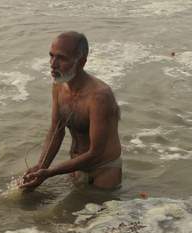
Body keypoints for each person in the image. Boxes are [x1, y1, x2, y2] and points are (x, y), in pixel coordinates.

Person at [19, 31, 122, 190]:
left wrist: (50, 172)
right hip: (75, 168)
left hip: (103, 172)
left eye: (61, 58)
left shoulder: (99, 97)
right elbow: (56, 130)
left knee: (99, 213)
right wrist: (41, 167)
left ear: (81, 62)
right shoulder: (59, 85)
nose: (53, 64)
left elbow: (96, 153)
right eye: (51, 56)